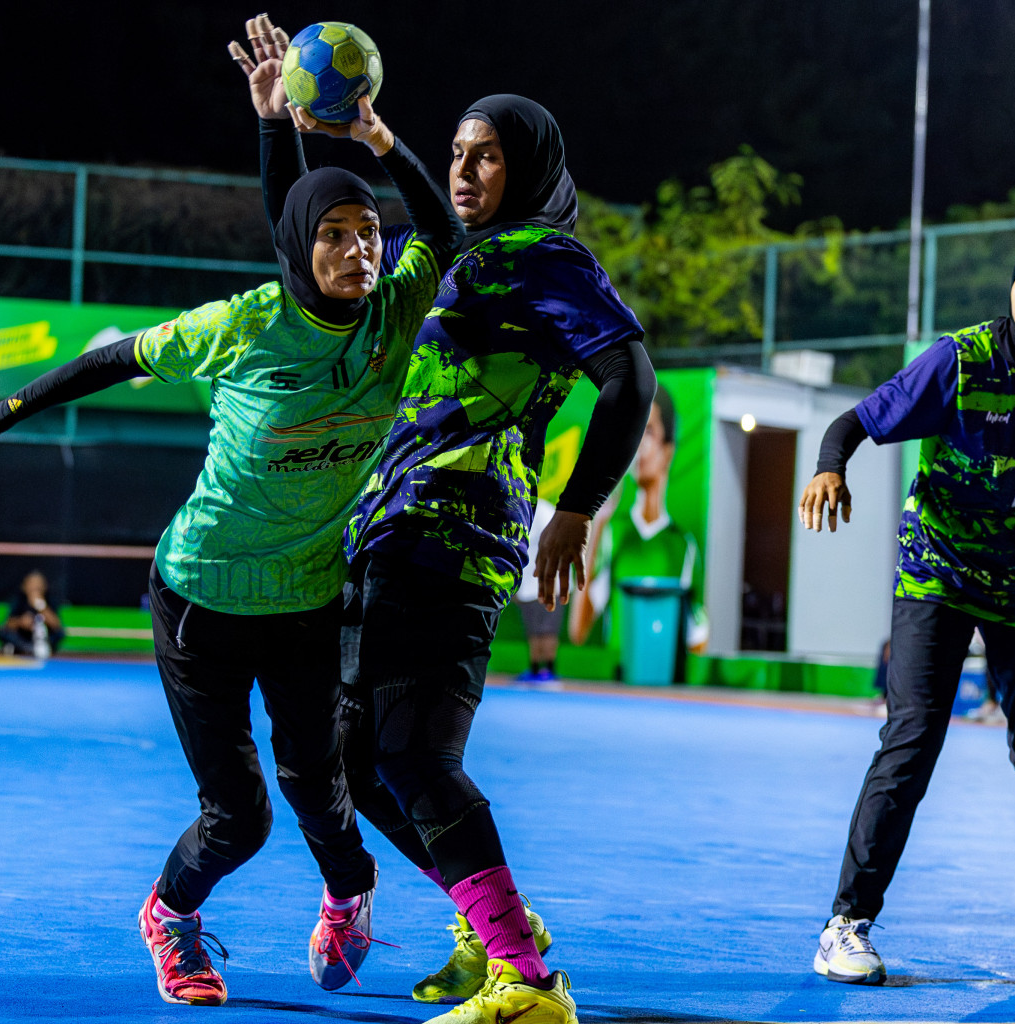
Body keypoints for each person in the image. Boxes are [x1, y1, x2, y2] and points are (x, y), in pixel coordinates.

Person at [0, 42, 463, 1003]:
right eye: (336, 237)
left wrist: (371, 136)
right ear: (300, 249)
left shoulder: (396, 308)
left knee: (324, 799)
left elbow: (439, 231)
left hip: (308, 598)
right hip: (201, 593)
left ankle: (350, 896)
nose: (359, 250)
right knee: (239, 818)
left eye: (370, 232)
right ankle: (172, 919)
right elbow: (108, 361)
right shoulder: (239, 324)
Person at [296, 91, 654, 1023]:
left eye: (487, 155)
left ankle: (527, 987)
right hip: (384, 533)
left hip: (451, 532)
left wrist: (578, 508)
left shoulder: (546, 255)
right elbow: (385, 219)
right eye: (457, 152)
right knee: (356, 759)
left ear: (528, 169)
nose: (464, 169)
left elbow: (629, 378)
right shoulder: (479, 260)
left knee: (413, 752)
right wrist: (365, 138)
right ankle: (494, 925)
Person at [799, 232, 1015, 986]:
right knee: (912, 738)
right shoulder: (960, 361)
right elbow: (854, 422)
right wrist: (828, 469)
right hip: (939, 566)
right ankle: (846, 925)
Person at [569, 385, 708, 664]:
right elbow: (578, 631)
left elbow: (698, 636)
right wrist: (598, 525)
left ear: (668, 451)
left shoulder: (682, 546)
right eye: (634, 432)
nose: (638, 445)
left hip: (662, 675)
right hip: (617, 673)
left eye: (649, 432)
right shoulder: (613, 531)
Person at [511, 497, 565, 682]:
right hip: (537, 586)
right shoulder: (541, 509)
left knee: (545, 630)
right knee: (537, 631)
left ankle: (547, 670)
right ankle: (538, 670)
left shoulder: (537, 510)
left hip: (543, 585)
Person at [0, 570, 64, 658]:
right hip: (23, 636)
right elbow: (8, 624)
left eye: (38, 584)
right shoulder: (19, 600)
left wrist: (40, 605)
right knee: (2, 632)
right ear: (24, 586)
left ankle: (40, 647)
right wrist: (20, 622)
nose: (35, 587)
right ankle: (27, 648)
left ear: (44, 586)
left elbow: (57, 625)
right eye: (32, 584)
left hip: (43, 636)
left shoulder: (49, 600)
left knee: (60, 633)